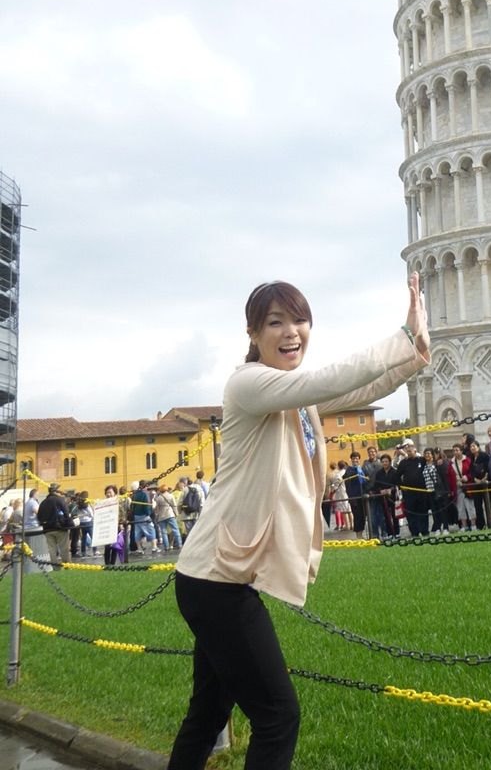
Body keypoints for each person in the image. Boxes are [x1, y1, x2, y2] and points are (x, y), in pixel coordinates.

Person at [168, 273, 429, 770]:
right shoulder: (249, 384)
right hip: (215, 582)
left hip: (216, 577)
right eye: (275, 322)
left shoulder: (294, 398)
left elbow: (357, 387)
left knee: (207, 714)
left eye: (300, 320)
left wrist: (414, 351)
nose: (291, 332)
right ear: (253, 333)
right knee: (278, 716)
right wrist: (400, 333)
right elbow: (326, 379)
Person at [36, 483, 71, 565]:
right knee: (64, 548)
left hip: (48, 529)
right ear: (56, 491)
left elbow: (39, 516)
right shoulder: (60, 500)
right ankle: (67, 565)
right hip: (60, 528)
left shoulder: (43, 502)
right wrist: (70, 524)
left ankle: (55, 566)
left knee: (51, 549)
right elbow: (66, 512)